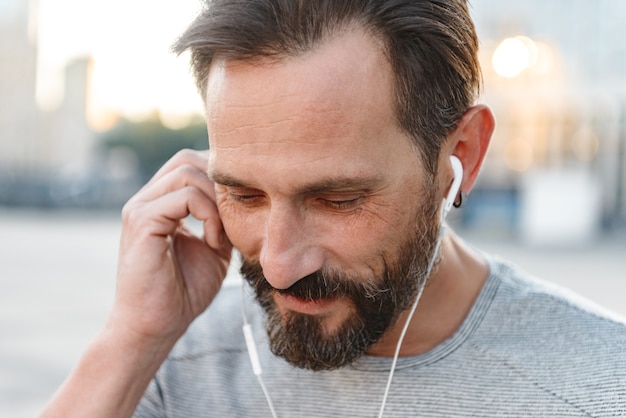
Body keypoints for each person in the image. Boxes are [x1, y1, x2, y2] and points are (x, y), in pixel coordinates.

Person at [42, 1, 626, 417]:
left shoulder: (602, 385)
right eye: (243, 194)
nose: (276, 265)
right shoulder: (173, 361)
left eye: (337, 199)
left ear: (462, 156)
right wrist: (135, 337)